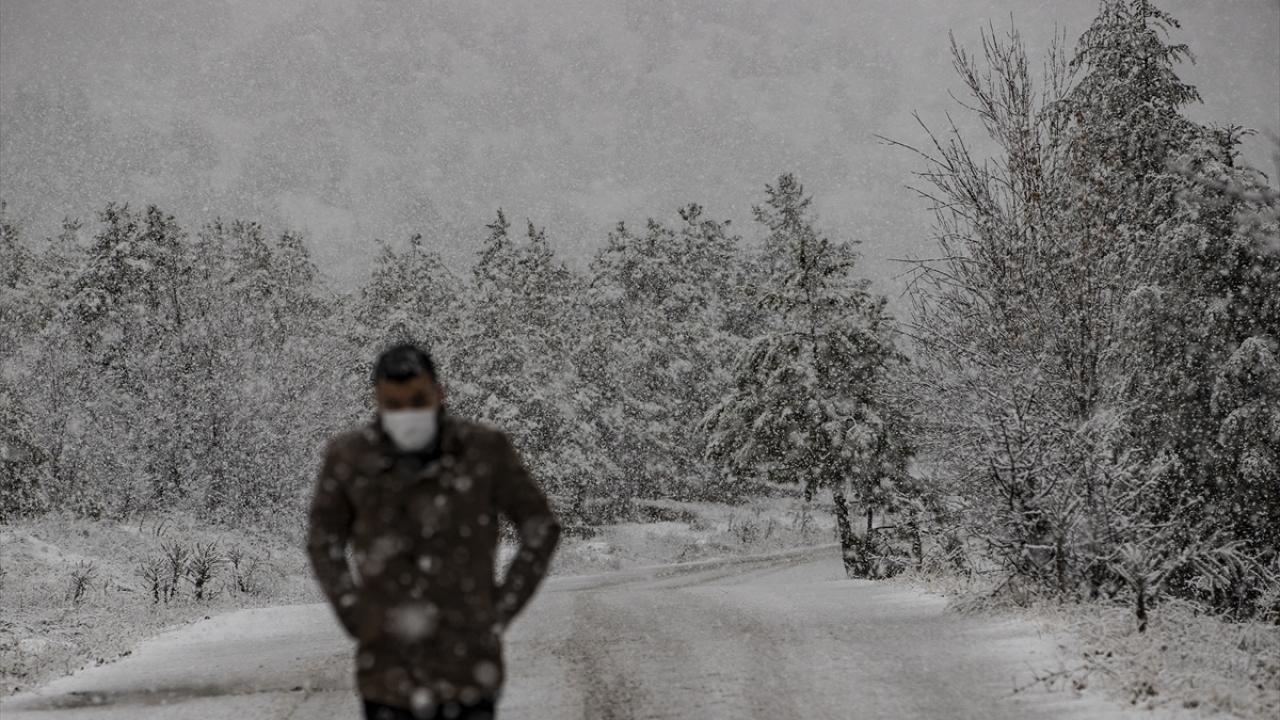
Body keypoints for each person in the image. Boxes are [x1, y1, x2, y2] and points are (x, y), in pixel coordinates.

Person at [307, 342, 561, 719]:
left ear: (439, 392)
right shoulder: (350, 458)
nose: (406, 412)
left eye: (418, 398)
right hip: (387, 672)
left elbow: (540, 525)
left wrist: (499, 608)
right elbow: (323, 539)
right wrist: (355, 612)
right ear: (377, 402)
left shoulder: (483, 451)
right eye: (393, 404)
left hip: (469, 670)